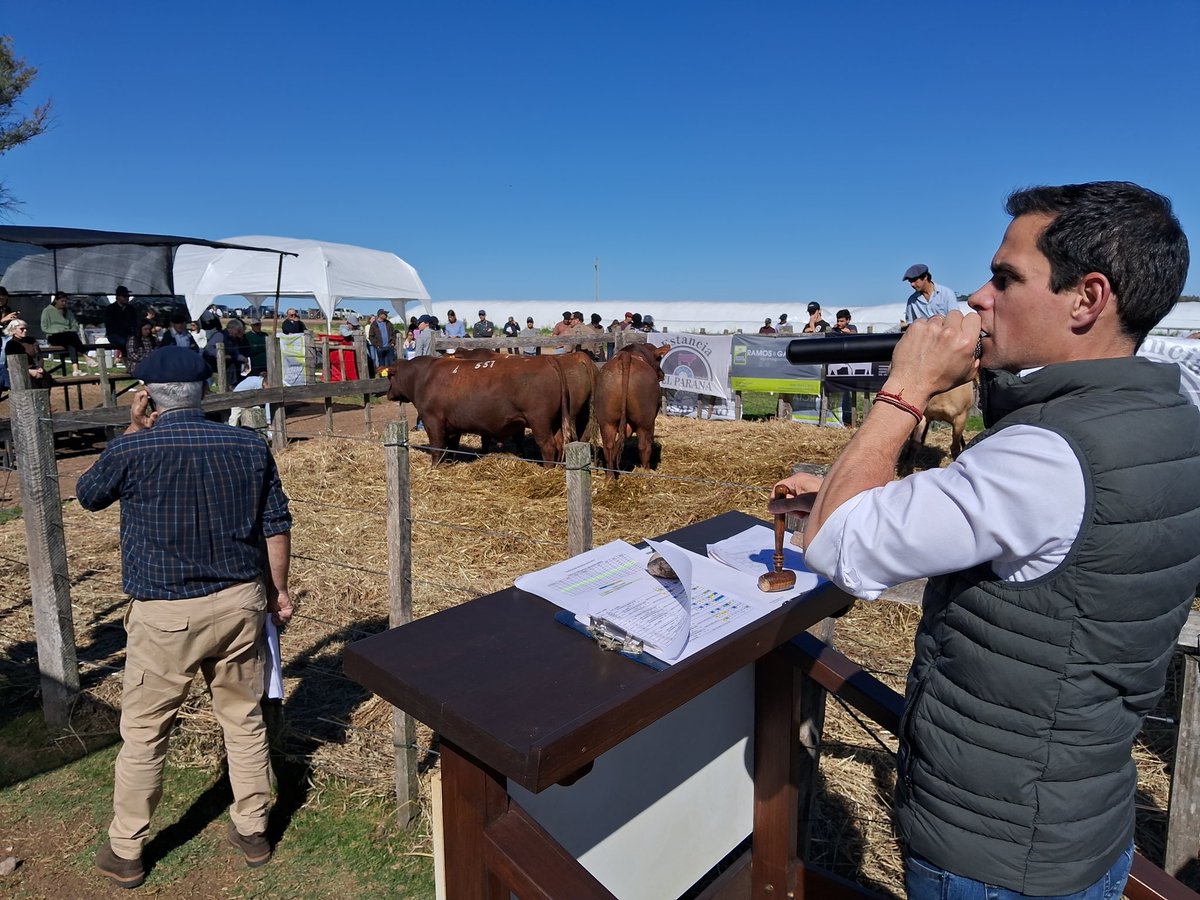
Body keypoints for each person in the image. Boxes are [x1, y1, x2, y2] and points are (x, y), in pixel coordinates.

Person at [771, 181, 1200, 898]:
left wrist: (904, 389)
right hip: (1081, 820)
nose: (976, 297)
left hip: (991, 852)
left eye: (1005, 277)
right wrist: (859, 486)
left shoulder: (1048, 453)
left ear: (1087, 299)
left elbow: (839, 544)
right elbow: (1042, 535)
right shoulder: (1168, 417)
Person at [76, 347, 293, 889]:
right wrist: (278, 591)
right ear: (204, 389)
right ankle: (253, 828)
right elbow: (275, 523)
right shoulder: (249, 444)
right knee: (242, 717)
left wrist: (128, 433)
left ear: (146, 393)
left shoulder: (136, 449)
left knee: (147, 729)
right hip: (240, 601)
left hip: (166, 611)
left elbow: (87, 495)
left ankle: (127, 847)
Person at [41, 291, 94, 376]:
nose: (64, 303)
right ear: (56, 300)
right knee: (71, 338)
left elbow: (74, 325)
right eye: (62, 301)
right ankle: (86, 356)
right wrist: (58, 330)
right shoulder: (47, 311)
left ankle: (76, 369)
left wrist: (68, 330)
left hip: (69, 337)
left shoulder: (68, 312)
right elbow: (44, 328)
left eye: (65, 301)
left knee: (71, 342)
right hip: (54, 336)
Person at [1, 318, 53, 388]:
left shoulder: (32, 341)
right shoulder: (11, 344)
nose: (25, 331)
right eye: (21, 329)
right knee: (31, 383)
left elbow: (39, 357)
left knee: (47, 378)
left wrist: (40, 368)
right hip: (20, 372)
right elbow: (12, 364)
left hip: (36, 369)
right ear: (13, 330)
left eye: (26, 329)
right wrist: (29, 371)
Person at [204, 318, 252, 387]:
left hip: (225, 363)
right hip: (211, 362)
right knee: (231, 363)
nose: (239, 333)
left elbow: (235, 353)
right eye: (238, 331)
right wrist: (222, 356)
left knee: (233, 363)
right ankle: (229, 386)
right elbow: (209, 349)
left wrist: (244, 359)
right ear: (232, 329)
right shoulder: (220, 335)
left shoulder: (234, 339)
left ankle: (233, 385)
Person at [103, 286, 140, 364]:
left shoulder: (131, 309)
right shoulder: (110, 309)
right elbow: (111, 326)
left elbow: (134, 323)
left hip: (128, 334)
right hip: (114, 334)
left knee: (136, 341)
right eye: (125, 296)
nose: (127, 298)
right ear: (118, 297)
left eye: (128, 296)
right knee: (125, 342)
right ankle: (128, 363)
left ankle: (134, 362)